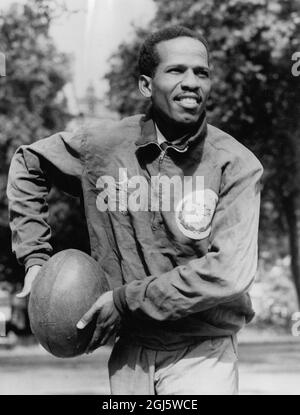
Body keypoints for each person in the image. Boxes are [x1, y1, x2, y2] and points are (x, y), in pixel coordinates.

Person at [7, 26, 263, 395]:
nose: (192, 82)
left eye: (201, 72)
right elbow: (28, 163)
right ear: (146, 84)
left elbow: (228, 273)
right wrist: (35, 260)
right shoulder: (102, 148)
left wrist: (124, 301)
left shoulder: (236, 164)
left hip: (202, 350)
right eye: (176, 70)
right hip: (129, 350)